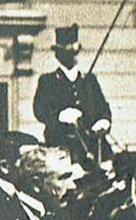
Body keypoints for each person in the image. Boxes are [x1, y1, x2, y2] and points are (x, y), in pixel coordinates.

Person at [33, 24, 112, 164]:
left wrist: (104, 121)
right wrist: (59, 116)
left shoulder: (89, 81)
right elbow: (39, 110)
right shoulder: (47, 81)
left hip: (93, 149)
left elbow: (103, 108)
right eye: (66, 51)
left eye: (74, 51)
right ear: (58, 54)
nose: (72, 56)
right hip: (62, 149)